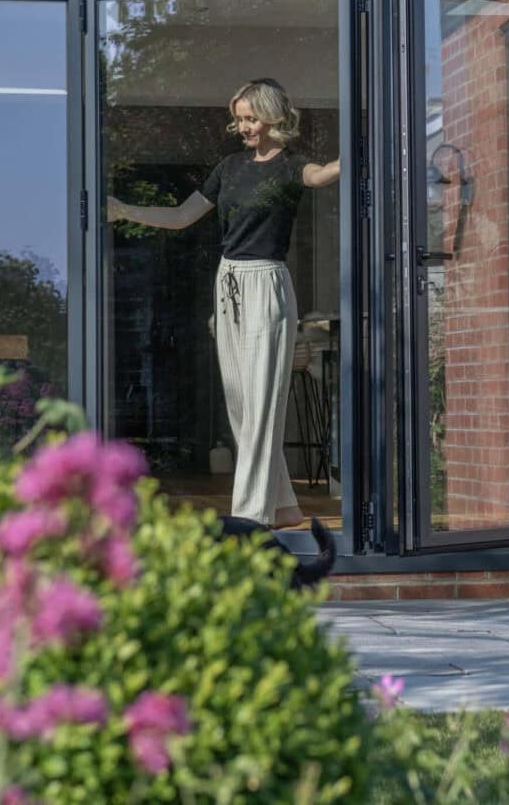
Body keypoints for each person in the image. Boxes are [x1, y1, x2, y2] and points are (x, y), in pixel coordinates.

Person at [108, 79, 340, 528]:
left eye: (250, 118)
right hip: (228, 282)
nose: (242, 127)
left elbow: (321, 175)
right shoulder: (229, 167)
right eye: (239, 119)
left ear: (273, 118)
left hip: (266, 282)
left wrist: (362, 152)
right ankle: (284, 505)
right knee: (239, 403)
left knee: (261, 402)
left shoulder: (291, 167)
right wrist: (124, 210)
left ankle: (250, 515)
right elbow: (180, 216)